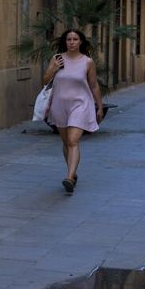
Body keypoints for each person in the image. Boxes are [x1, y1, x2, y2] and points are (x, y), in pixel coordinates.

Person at [44, 29, 103, 194]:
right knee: (66, 142)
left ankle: (69, 178)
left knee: (72, 141)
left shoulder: (87, 62)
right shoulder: (57, 59)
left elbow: (93, 85)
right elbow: (45, 81)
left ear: (80, 42)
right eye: (69, 39)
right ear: (65, 42)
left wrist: (99, 106)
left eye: (75, 39)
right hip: (59, 105)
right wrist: (53, 69)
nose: (71, 42)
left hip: (81, 104)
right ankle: (73, 172)